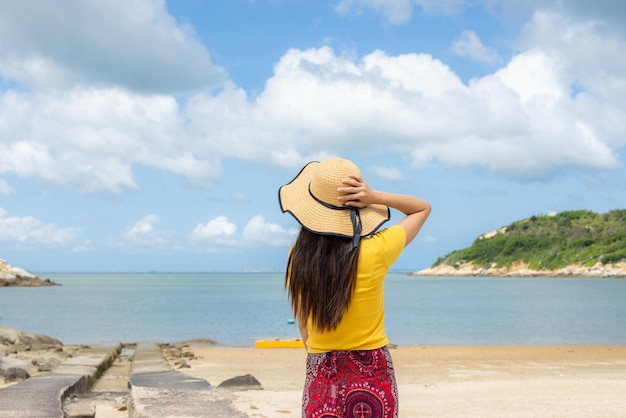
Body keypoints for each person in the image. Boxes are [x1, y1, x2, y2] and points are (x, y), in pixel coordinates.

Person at [279, 157, 431, 417]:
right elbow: (422, 209)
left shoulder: (299, 255)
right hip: (372, 368)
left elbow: (304, 325)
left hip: (322, 369)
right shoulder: (376, 249)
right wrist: (374, 196)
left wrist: (321, 358)